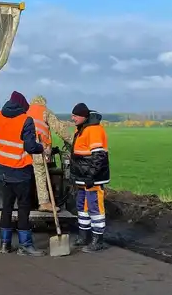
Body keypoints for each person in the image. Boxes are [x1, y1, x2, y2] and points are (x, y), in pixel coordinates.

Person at [0, 91, 46, 256]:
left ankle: (5, 244)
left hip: (2, 169)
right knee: (23, 208)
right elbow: (30, 147)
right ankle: (25, 245)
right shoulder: (26, 120)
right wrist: (42, 147)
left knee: (7, 207)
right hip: (20, 171)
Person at [68, 102, 110, 253]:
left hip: (92, 179)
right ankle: (83, 237)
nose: (72, 118)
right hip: (82, 178)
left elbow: (99, 156)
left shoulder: (94, 130)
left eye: (75, 115)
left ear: (83, 116)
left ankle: (97, 240)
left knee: (95, 208)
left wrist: (92, 175)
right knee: (82, 207)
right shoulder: (81, 129)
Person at [27, 95, 74, 212]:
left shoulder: (26, 111)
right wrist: (73, 141)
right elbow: (60, 129)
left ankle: (27, 201)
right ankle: (44, 202)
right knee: (40, 173)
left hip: (25, 147)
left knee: (27, 174)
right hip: (39, 146)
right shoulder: (45, 111)